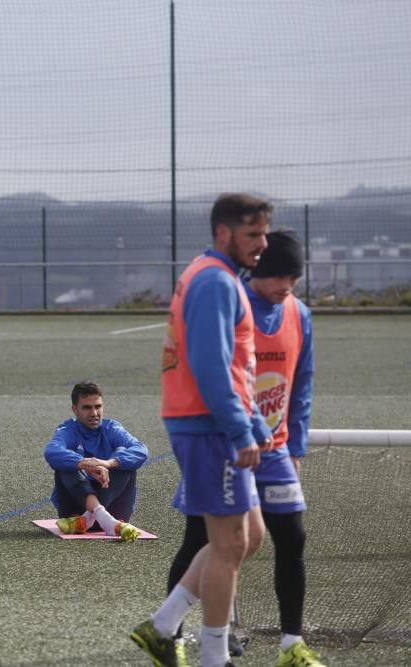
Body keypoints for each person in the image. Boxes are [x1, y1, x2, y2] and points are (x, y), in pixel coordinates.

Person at [165, 230, 323, 667]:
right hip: (227, 441)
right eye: (277, 275)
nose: (285, 285)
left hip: (273, 449)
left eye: (293, 276)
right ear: (256, 271)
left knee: (291, 537)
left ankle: (292, 643)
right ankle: (172, 635)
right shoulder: (232, 304)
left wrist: (296, 443)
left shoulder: (300, 315)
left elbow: (302, 384)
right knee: (201, 538)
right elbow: (218, 375)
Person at [131, 193, 274, 667]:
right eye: (252, 234)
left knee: (247, 537)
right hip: (207, 426)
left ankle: (162, 626)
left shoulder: (219, 276)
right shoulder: (214, 281)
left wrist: (254, 423)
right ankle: (215, 657)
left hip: (213, 421)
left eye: (263, 233)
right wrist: (239, 429)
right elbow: (211, 367)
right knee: (229, 544)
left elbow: (235, 366)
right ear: (223, 233)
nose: (262, 243)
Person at [44, 381, 147, 542]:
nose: (94, 412)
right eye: (87, 407)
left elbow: (141, 450)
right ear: (75, 409)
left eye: (98, 406)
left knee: (123, 456)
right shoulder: (68, 429)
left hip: (111, 516)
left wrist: (108, 464)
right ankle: (99, 514)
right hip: (74, 518)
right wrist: (84, 463)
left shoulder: (111, 428)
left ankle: (91, 517)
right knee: (66, 463)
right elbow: (51, 451)